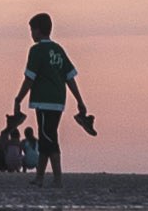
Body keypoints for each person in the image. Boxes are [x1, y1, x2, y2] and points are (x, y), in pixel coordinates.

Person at [16, 14, 94, 176]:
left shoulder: (36, 51)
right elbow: (69, 77)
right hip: (58, 101)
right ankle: (39, 178)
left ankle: (58, 178)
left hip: (44, 100)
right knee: (46, 137)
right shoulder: (58, 50)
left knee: (49, 139)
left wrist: (18, 99)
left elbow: (29, 78)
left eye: (32, 30)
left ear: (38, 30)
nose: (31, 34)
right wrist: (79, 101)